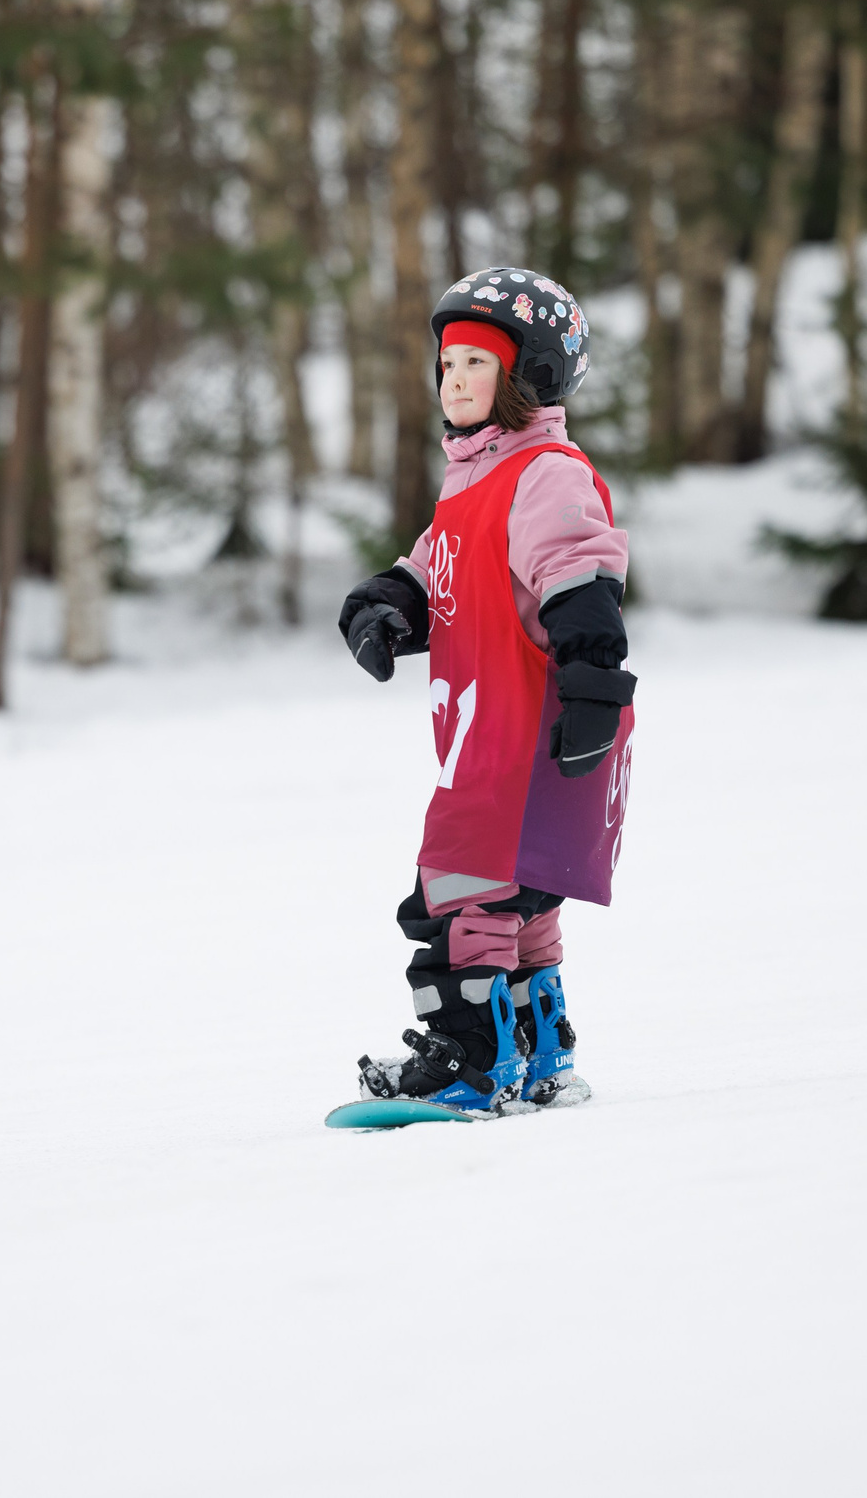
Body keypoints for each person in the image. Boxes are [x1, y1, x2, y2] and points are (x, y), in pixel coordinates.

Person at [338, 267, 635, 1115]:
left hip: (525, 737)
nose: (455, 381)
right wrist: (385, 607)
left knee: (455, 900)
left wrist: (593, 691)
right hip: (491, 738)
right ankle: (540, 1050)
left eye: (476, 363)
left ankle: (472, 1060)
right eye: (447, 366)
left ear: (527, 376)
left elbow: (582, 581)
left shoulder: (544, 473)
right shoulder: (474, 477)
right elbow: (435, 567)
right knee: (520, 896)